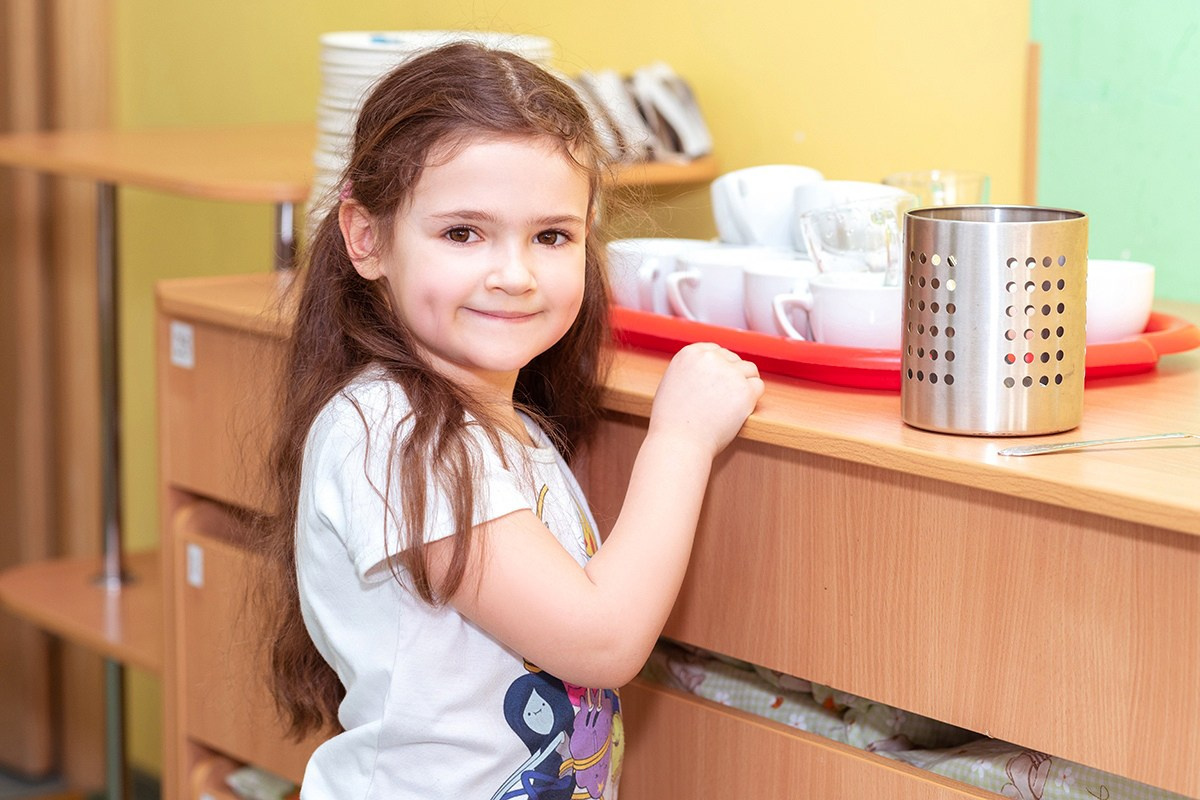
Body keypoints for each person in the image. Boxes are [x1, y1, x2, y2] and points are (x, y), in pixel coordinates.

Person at [259, 41, 763, 799]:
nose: (515, 274)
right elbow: (602, 640)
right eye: (463, 233)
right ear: (366, 236)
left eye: (551, 236)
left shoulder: (487, 417)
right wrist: (683, 438)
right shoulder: (398, 433)